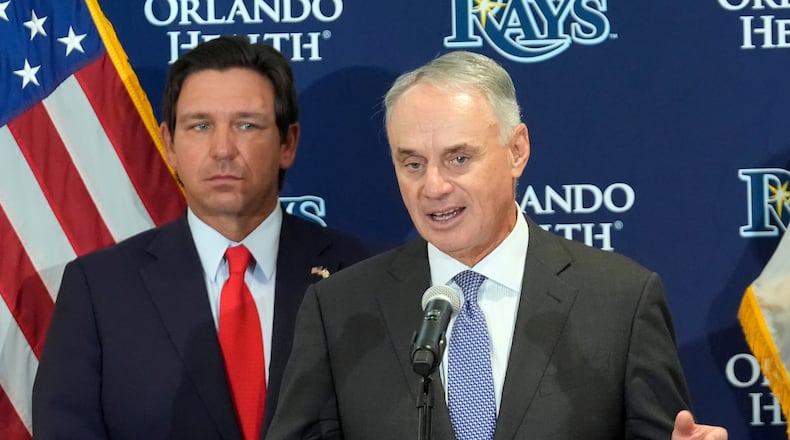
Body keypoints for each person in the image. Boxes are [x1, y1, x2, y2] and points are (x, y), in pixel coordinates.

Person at [266, 51, 727, 439]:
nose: (434, 186)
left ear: (516, 150)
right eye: (413, 164)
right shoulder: (341, 310)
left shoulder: (620, 302)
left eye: (458, 158)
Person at [32, 36, 372, 440]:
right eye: (200, 125)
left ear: (288, 143)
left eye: (247, 125)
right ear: (169, 145)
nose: (223, 149)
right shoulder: (99, 290)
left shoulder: (364, 275)